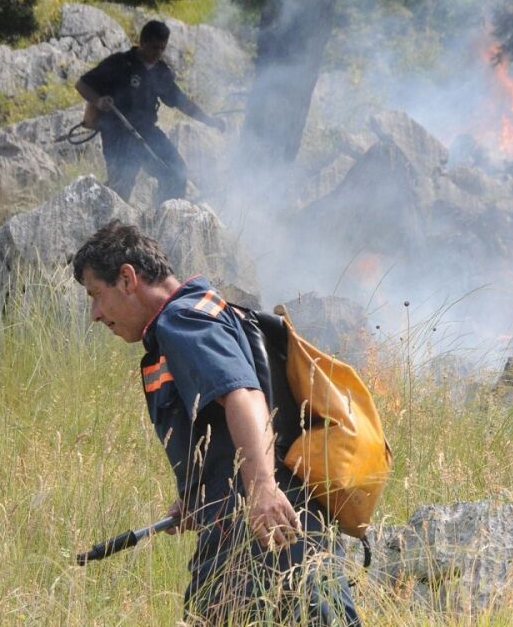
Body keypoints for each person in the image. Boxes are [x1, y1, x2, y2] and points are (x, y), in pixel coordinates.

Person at [72, 220, 361, 625]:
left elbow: (243, 393)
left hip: (256, 527)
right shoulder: (206, 311)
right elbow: (230, 421)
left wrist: (260, 487)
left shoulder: (181, 320)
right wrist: (201, 493)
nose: (94, 314)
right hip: (287, 519)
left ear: (127, 278)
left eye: (96, 295)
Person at [75, 20, 225, 205]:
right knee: (121, 185)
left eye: (162, 49)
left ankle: (161, 223)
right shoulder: (119, 63)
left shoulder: (161, 73)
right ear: (142, 42)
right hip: (117, 135)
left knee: (176, 173)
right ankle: (107, 227)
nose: (158, 53)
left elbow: (181, 102)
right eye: (154, 48)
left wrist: (208, 120)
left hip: (147, 133)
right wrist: (98, 100)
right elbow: (82, 84)